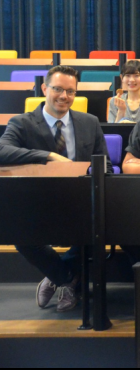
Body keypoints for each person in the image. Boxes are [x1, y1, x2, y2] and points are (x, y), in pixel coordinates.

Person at [0, 66, 113, 312]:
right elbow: (2, 151)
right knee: (19, 234)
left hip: (80, 201)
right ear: (44, 89)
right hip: (37, 203)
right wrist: (48, 155)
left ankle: (58, 279)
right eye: (58, 89)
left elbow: (105, 165)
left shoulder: (89, 122)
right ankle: (65, 279)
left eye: (70, 91)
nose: (64, 96)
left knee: (99, 227)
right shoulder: (22, 122)